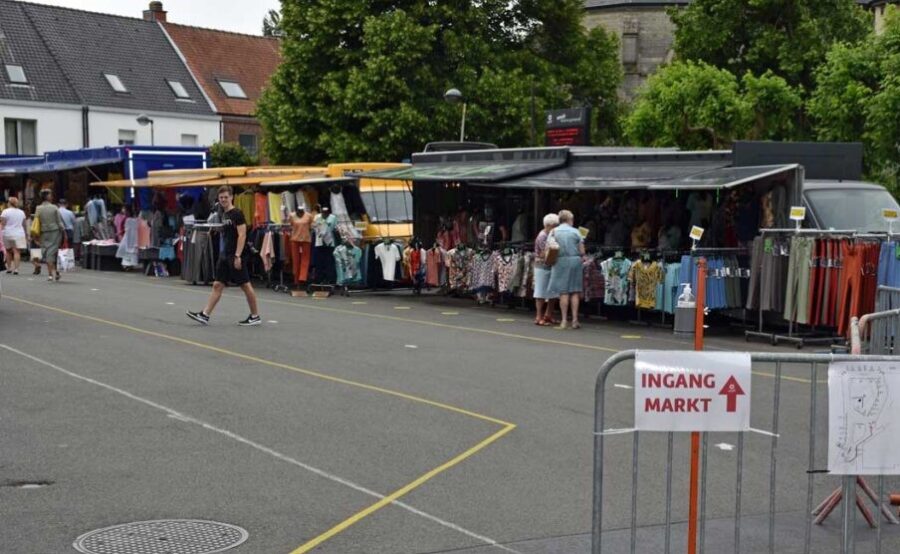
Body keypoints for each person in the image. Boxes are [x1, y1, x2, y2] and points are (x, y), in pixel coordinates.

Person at [187, 186, 261, 326]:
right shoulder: (223, 213)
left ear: (231, 197)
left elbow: (242, 235)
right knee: (217, 284)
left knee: (245, 285)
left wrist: (238, 256)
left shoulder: (237, 213)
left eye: (226, 197)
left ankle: (255, 316)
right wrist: (215, 230)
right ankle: (205, 315)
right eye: (221, 198)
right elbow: (227, 231)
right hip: (225, 254)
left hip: (236, 255)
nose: (223, 200)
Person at [548, 209, 586, 330]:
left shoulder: (554, 232)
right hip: (575, 261)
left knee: (563, 292)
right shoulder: (577, 232)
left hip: (560, 261)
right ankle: (575, 320)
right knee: (575, 291)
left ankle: (564, 321)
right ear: (569, 220)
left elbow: (549, 247)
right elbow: (582, 251)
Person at [533, 213, 560, 326]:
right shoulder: (542, 236)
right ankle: (539, 316)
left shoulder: (551, 235)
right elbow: (543, 253)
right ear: (548, 225)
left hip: (551, 266)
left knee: (553, 292)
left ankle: (549, 314)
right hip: (542, 267)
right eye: (555, 225)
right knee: (541, 292)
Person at [35, 189, 66, 282]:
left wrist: (35, 235)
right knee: (52, 253)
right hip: (55, 232)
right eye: (51, 195)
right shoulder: (54, 208)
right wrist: (64, 232)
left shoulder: (38, 208)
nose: (52, 197)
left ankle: (51, 274)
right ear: (48, 197)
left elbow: (36, 222)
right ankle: (54, 273)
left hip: (43, 233)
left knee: (47, 252)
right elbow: (59, 222)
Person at [1, 197, 27, 275]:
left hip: (7, 233)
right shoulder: (21, 212)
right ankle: (16, 269)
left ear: (9, 203)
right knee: (17, 252)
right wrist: (25, 233)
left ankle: (9, 268)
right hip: (19, 233)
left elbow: (3, 223)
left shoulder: (5, 211)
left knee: (8, 251)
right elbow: (24, 224)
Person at [288, 206, 313, 284]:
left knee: (305, 259)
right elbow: (290, 225)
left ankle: (303, 277)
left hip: (306, 239)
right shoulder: (292, 216)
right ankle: (296, 279)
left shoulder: (309, 216)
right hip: (295, 240)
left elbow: (311, 226)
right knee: (295, 260)